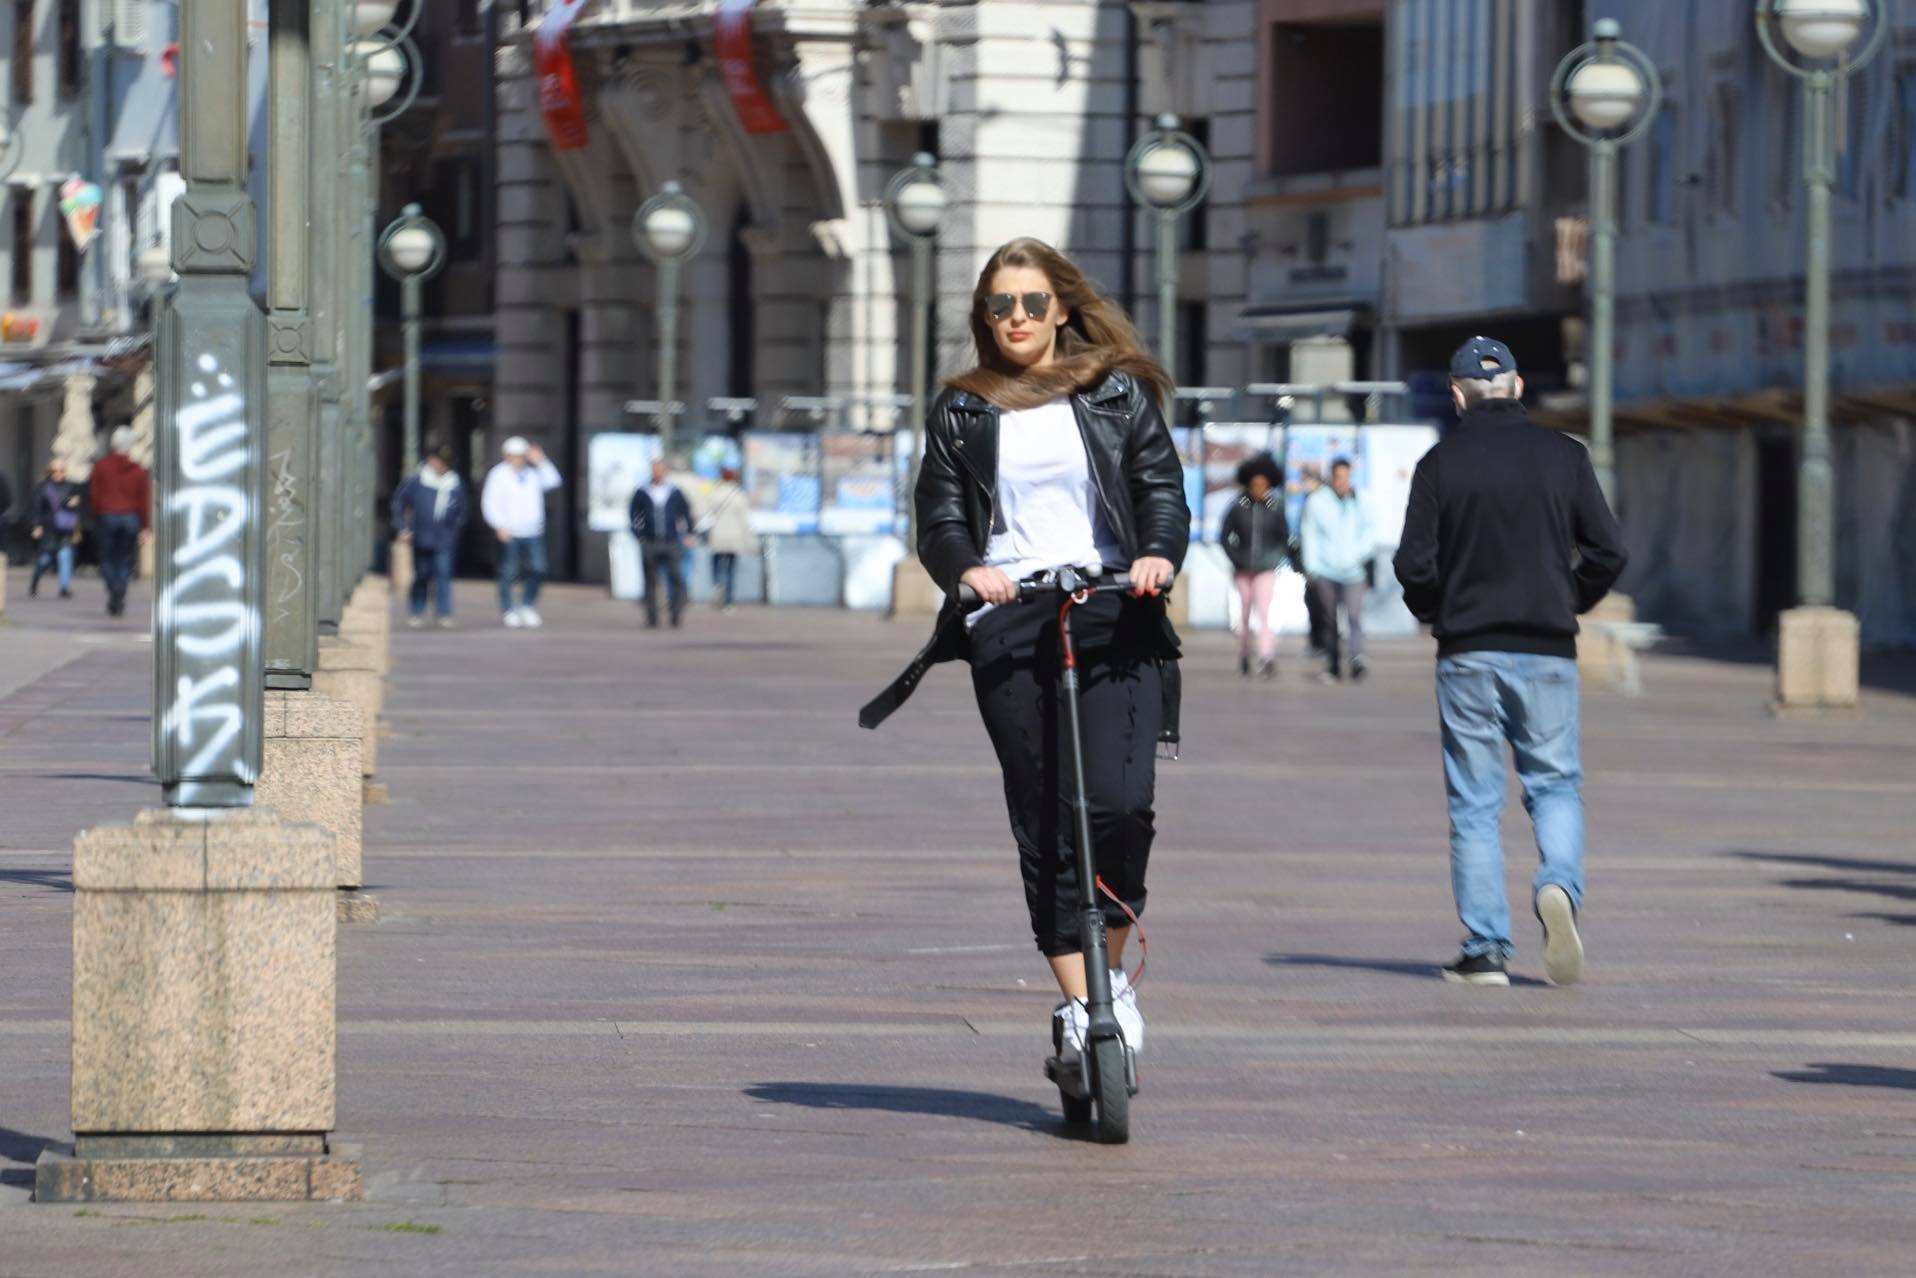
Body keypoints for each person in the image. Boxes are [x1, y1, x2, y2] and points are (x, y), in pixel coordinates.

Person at [862, 236, 1187, 1061]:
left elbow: (1159, 488)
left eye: (1033, 302)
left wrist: (1157, 552)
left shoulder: (1114, 391)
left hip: (1114, 606)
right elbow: (939, 515)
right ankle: (1083, 1005)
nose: (1017, 317)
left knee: (1120, 805)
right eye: (1000, 305)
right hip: (1010, 616)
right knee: (1046, 815)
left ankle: (1112, 988)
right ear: (985, 316)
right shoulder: (964, 407)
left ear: (1062, 308)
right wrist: (967, 570)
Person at [1392, 336, 1627, 988]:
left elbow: (1412, 564)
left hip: (1468, 649)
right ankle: (1558, 885)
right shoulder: (1565, 456)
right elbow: (1609, 551)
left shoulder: (1440, 463)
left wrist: (1438, 609)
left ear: (1457, 394)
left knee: (1475, 804)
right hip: (1546, 646)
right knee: (1554, 784)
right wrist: (1567, 599)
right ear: (1519, 387)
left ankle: (1487, 949)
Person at [1300, 456, 1374, 683]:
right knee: (1329, 618)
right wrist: (1312, 567)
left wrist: (1358, 555)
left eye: (1346, 476)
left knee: (1354, 616)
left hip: (1354, 571)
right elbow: (1309, 534)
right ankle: (1332, 664)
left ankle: (1356, 658)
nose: (1342, 481)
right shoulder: (1317, 502)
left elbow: (1369, 531)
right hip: (1325, 570)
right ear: (1331, 477)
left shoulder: (1361, 500)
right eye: (1338, 476)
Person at [480, 436, 561, 628]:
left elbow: (554, 481)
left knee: (538, 568)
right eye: (516, 456)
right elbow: (490, 503)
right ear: (507, 456)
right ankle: (508, 609)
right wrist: (499, 525)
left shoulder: (533, 473)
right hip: (510, 531)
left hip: (533, 532)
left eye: (523, 455)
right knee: (509, 571)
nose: (520, 459)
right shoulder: (498, 475)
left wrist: (541, 460)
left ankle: (527, 605)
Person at [1219, 453, 1287, 679]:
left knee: (1264, 612)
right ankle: (1244, 654)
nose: (1258, 489)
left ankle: (1267, 656)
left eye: (1262, 485)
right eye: (1255, 484)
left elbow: (1283, 538)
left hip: (1265, 568)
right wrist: (1235, 557)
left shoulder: (1275, 508)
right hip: (1243, 567)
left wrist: (1274, 559)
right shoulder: (1238, 507)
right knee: (1245, 612)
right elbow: (1225, 535)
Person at [390, 446, 468, 629]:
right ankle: (417, 611)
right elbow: (399, 503)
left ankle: (444, 613)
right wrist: (403, 528)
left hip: (445, 538)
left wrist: (455, 530)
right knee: (422, 574)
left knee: (443, 574)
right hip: (422, 536)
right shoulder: (418, 481)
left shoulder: (455, 483)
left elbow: (462, 510)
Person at [88, 427, 150, 617]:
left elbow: (94, 494)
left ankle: (114, 587)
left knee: (107, 557)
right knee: (125, 558)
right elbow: (143, 500)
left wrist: (96, 515)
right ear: (130, 447)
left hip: (107, 516)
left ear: (113, 444)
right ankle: (120, 587)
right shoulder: (138, 470)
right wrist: (145, 526)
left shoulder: (101, 466)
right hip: (130, 517)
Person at [628, 458, 695, 629]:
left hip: (671, 541)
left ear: (665, 472)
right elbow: (633, 513)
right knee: (650, 580)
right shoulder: (643, 491)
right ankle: (652, 617)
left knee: (676, 577)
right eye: (654, 470)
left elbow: (686, 512)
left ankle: (675, 614)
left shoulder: (674, 491)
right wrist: (638, 534)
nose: (657, 473)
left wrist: (689, 532)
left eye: (660, 470)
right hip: (650, 541)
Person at [695, 465, 753, 612]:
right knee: (731, 569)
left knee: (715, 564)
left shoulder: (715, 494)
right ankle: (728, 601)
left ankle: (717, 585)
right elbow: (745, 520)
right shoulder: (739, 495)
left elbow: (701, 511)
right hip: (734, 536)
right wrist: (748, 540)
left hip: (718, 534)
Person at [28, 459, 84, 599]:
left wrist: (74, 503)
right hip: (48, 529)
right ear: (49, 472)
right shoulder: (42, 487)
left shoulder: (70, 487)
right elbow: (36, 509)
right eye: (55, 471)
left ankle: (64, 588)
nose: (58, 474)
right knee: (44, 560)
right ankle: (35, 580)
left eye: (61, 471)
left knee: (65, 555)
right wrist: (36, 526)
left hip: (64, 529)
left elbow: (76, 507)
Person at [1293, 462, 1331, 659]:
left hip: (1323, 562)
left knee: (1322, 603)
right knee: (1312, 601)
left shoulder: (1323, 500)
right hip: (1310, 561)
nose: (1303, 483)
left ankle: (1324, 643)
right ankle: (1317, 642)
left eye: (1305, 479)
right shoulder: (1310, 498)